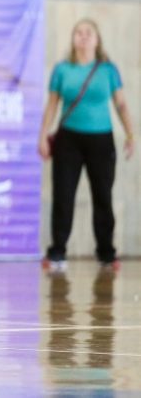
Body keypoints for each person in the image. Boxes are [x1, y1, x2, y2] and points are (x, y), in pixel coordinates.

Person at [38, 19, 134, 272]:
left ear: (97, 39)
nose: (82, 37)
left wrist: (131, 134)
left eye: (88, 33)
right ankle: (57, 252)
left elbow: (121, 105)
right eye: (78, 33)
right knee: (63, 196)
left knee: (103, 196)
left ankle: (106, 254)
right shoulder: (62, 70)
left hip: (101, 140)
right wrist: (42, 136)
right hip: (69, 139)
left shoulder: (108, 70)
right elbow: (51, 106)